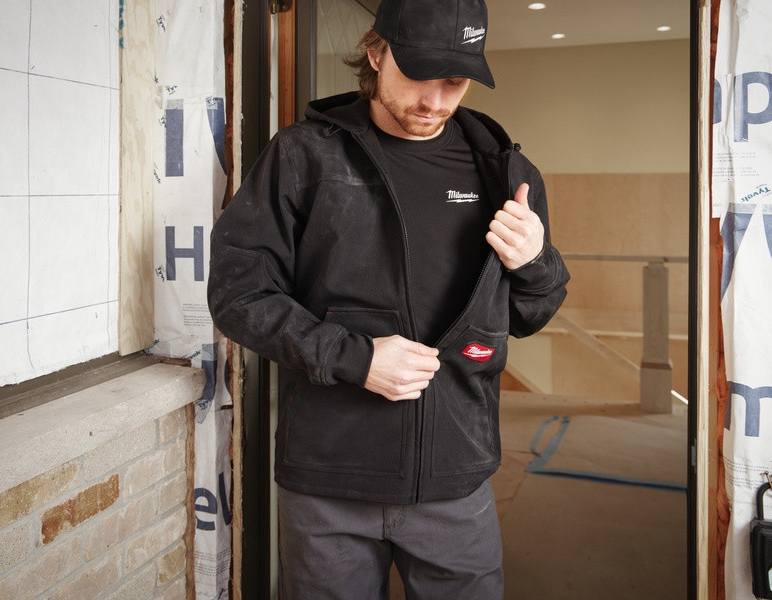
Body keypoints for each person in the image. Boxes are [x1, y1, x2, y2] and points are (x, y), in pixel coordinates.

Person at [208, 0, 569, 597]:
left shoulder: (504, 172)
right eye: (417, 75)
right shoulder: (303, 156)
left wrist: (535, 263)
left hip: (455, 479)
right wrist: (356, 358)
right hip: (329, 482)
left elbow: (530, 315)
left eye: (453, 83)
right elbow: (238, 294)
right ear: (375, 54)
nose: (433, 101)